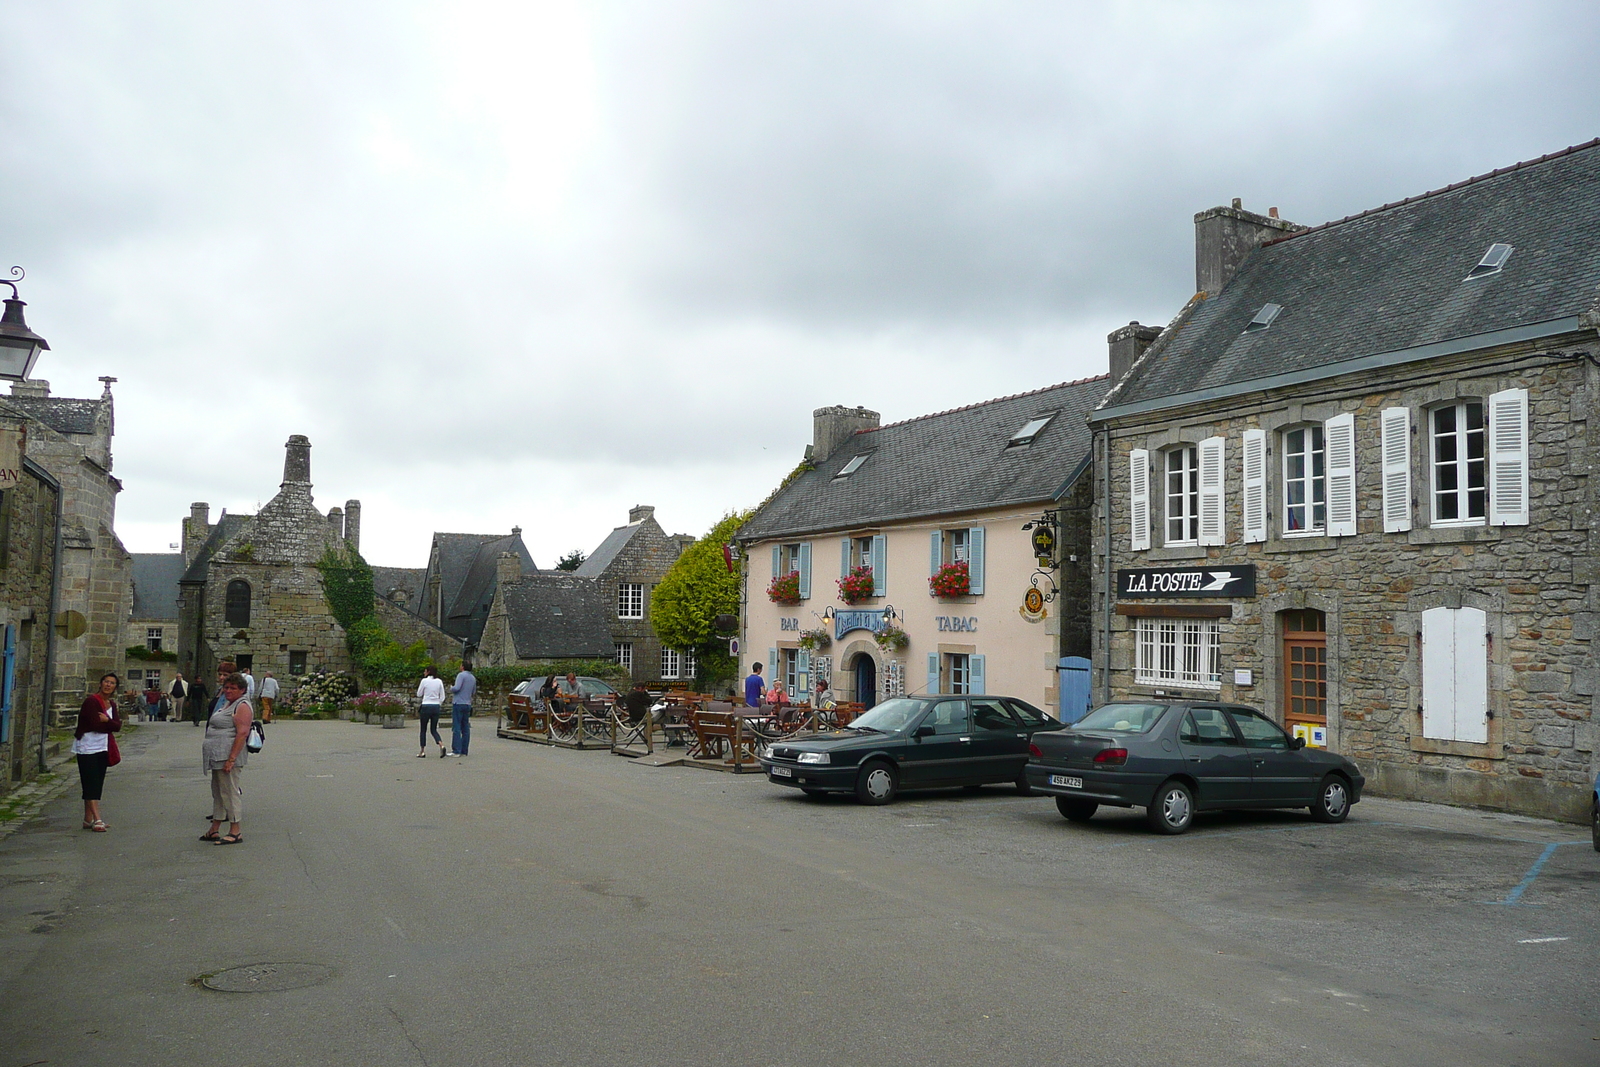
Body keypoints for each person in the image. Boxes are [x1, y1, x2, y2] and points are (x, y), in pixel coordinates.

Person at [201, 672, 252, 845]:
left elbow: (242, 733)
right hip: (218, 755)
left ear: (242, 690)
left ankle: (235, 830)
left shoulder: (242, 705)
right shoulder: (229, 703)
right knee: (218, 792)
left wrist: (231, 759)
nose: (228, 690)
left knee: (229, 792)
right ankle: (214, 828)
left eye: (233, 688)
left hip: (228, 756)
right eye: (226, 687)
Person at [73, 673, 122, 832]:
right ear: (101, 683)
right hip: (87, 746)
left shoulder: (111, 705)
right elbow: (94, 724)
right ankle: (97, 818)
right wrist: (110, 725)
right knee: (90, 781)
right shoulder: (91, 702)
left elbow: (117, 726)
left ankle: (88, 819)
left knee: (97, 781)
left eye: (112, 683)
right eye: (106, 682)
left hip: (103, 746)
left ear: (115, 687)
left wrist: (108, 721)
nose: (108, 685)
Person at [416, 666, 447, 758]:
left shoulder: (424, 681)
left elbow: (419, 694)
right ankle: (441, 744)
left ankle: (422, 751)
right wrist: (438, 703)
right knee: (433, 729)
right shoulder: (439, 681)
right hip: (435, 706)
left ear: (428, 672)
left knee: (423, 729)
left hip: (426, 706)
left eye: (425, 671)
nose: (424, 673)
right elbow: (442, 696)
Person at [450, 660, 477, 757]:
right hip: (467, 703)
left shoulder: (461, 675)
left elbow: (457, 688)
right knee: (465, 727)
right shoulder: (473, 678)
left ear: (463, 667)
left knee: (456, 726)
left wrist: (451, 688)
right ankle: (464, 750)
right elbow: (473, 692)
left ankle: (456, 750)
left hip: (458, 703)